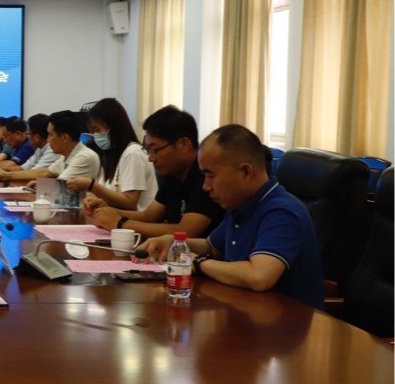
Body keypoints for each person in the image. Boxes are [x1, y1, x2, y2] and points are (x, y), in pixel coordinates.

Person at [138, 124, 325, 310]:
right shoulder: (241, 203)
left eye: (211, 176)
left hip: (285, 322)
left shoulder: (282, 212)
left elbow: (259, 277)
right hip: (243, 310)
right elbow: (212, 247)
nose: (205, 186)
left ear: (246, 172)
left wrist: (196, 262)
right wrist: (174, 242)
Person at [85, 106, 222, 238]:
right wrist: (109, 211)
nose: (151, 158)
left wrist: (120, 223)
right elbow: (149, 216)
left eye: (155, 150)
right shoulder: (173, 174)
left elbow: (186, 231)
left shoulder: (205, 176)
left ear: (184, 144)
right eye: (148, 150)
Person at [67, 98, 157, 211]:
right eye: (93, 132)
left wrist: (92, 186)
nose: (95, 136)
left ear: (114, 127)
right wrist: (91, 198)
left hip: (133, 220)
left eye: (97, 130)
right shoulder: (112, 156)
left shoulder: (133, 153)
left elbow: (130, 202)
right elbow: (106, 192)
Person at [0, 113, 62, 181]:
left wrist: (7, 175)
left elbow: (38, 173)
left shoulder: (52, 150)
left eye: (28, 133)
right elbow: (24, 168)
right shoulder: (39, 148)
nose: (27, 137)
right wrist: (0, 170)